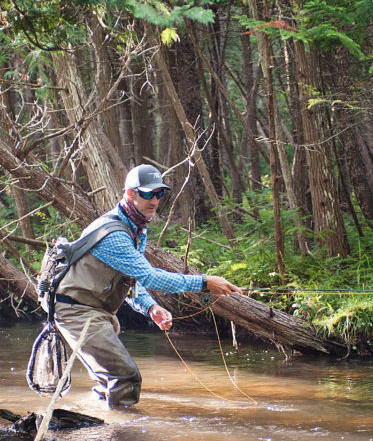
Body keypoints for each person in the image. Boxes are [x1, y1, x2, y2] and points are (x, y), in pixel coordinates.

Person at [53, 164, 241, 408]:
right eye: (147, 194)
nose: (154, 200)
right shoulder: (114, 235)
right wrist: (204, 282)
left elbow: (133, 280)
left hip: (94, 310)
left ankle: (98, 428)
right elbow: (151, 277)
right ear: (130, 194)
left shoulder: (135, 229)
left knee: (108, 379)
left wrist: (151, 308)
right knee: (125, 377)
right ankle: (121, 437)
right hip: (76, 310)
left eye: (159, 194)